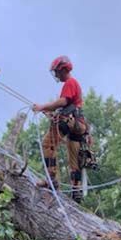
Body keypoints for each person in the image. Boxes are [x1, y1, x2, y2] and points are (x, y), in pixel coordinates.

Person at [32, 56, 92, 203]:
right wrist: (51, 113)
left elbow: (63, 101)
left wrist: (42, 106)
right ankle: (76, 191)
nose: (57, 75)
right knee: (74, 158)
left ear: (63, 69)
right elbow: (67, 106)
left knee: (47, 144)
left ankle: (51, 180)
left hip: (71, 122)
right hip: (78, 125)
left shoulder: (70, 83)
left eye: (57, 72)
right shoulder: (73, 84)